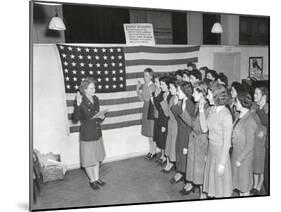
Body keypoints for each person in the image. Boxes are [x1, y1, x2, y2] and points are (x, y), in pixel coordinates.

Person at [199, 81, 233, 197]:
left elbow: (227, 143)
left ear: (215, 96)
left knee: (220, 190)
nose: (207, 96)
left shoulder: (226, 115)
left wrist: (222, 164)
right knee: (213, 189)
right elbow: (204, 129)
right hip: (212, 152)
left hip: (220, 154)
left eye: (208, 94)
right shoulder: (213, 109)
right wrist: (201, 110)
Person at [72, 77, 106, 190]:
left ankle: (97, 178)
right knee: (88, 161)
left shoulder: (96, 99)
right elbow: (75, 119)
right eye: (91, 88)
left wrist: (102, 116)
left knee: (96, 158)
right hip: (87, 135)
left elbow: (97, 116)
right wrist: (77, 105)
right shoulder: (80, 100)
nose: (94, 90)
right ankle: (92, 181)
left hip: (97, 132)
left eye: (94, 88)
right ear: (85, 90)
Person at [179, 83, 209, 198]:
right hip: (195, 141)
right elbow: (192, 123)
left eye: (195, 93)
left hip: (201, 143)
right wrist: (183, 110)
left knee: (201, 172)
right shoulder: (198, 105)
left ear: (202, 94)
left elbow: (200, 127)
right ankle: (202, 194)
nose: (193, 94)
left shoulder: (206, 108)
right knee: (196, 172)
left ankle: (203, 195)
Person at [232, 91, 257, 196]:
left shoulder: (250, 120)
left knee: (244, 187)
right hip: (236, 154)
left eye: (236, 101)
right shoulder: (239, 116)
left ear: (242, 103)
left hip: (244, 159)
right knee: (239, 186)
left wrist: (240, 159)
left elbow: (250, 145)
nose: (235, 103)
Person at [170, 81, 195, 184]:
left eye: (179, 90)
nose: (177, 92)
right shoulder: (182, 101)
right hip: (181, 131)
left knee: (186, 156)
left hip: (187, 133)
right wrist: (175, 105)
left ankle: (189, 182)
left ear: (185, 92)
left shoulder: (189, 103)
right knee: (180, 154)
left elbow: (190, 123)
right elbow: (176, 116)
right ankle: (180, 173)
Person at [251, 87, 269, 195]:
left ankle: (259, 184)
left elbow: (266, 122)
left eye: (257, 94)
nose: (254, 95)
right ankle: (254, 183)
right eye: (254, 93)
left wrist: (261, 106)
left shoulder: (267, 107)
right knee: (254, 161)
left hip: (263, 139)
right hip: (254, 136)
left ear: (264, 96)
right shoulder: (253, 105)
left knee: (261, 162)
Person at [136, 68, 156, 160]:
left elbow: (149, 99)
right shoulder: (144, 86)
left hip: (151, 109)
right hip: (146, 108)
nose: (145, 77)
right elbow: (142, 99)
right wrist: (137, 89)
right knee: (148, 132)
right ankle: (151, 150)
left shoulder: (153, 86)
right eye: (144, 75)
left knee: (152, 132)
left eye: (147, 75)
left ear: (151, 76)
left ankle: (153, 151)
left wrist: (145, 88)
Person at [161, 78, 178, 172]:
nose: (170, 89)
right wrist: (164, 101)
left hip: (175, 125)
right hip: (170, 124)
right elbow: (167, 113)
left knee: (173, 147)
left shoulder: (178, 99)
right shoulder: (171, 97)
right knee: (169, 145)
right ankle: (168, 164)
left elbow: (172, 114)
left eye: (171, 88)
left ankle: (173, 166)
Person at [152, 76, 170, 165]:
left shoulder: (167, 95)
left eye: (162, 84)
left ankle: (165, 158)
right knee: (161, 139)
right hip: (160, 118)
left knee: (164, 140)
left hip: (165, 120)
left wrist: (164, 124)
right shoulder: (162, 93)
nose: (161, 86)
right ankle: (163, 156)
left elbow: (166, 112)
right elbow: (159, 108)